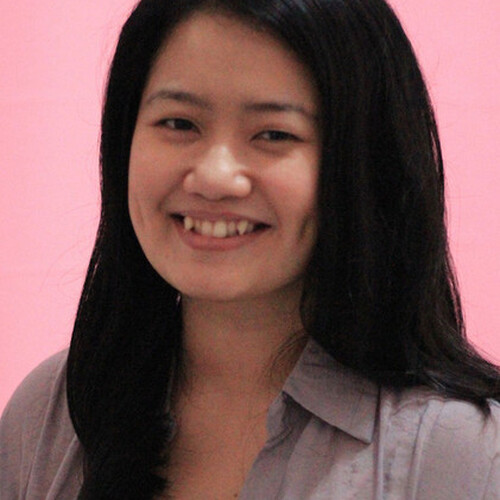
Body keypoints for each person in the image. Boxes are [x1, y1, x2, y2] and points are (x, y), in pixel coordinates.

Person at [1, 0, 499, 498]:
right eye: (179, 123)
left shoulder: (458, 453)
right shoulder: (51, 415)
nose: (215, 177)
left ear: (366, 163)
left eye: (274, 134)